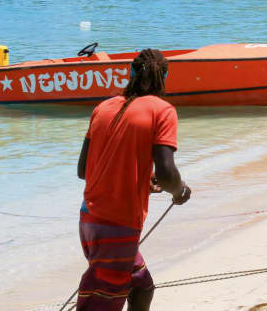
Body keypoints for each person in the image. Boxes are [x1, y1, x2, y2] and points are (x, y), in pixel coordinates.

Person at [76, 49, 191, 311]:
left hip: (89, 220)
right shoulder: (163, 111)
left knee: (141, 286)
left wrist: (140, 180)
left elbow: (84, 170)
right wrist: (179, 191)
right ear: (163, 79)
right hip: (118, 224)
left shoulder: (103, 107)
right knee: (99, 303)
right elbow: (166, 172)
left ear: (130, 74)